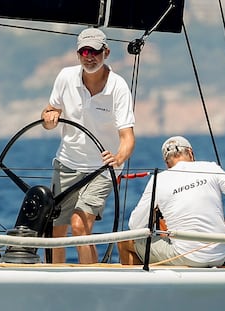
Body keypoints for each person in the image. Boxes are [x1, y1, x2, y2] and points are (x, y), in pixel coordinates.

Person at [41, 27, 135, 264]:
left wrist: (119, 158)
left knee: (79, 225)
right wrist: (49, 118)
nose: (89, 56)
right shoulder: (65, 77)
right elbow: (50, 112)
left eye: (94, 51)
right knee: (54, 231)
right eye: (84, 51)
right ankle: (54, 280)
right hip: (67, 162)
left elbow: (127, 137)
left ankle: (91, 281)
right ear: (78, 54)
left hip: (101, 168)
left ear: (106, 52)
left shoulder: (118, 87)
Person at [118, 136, 225, 267]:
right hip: (220, 254)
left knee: (125, 242)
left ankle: (142, 287)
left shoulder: (159, 179)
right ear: (191, 153)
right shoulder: (211, 167)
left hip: (187, 256)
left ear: (167, 163)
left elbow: (135, 225)